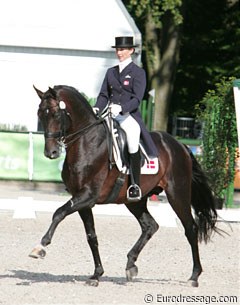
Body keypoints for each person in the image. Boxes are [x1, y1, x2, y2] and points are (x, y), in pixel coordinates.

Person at [94, 36, 158, 201]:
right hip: (109, 114)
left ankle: (135, 185)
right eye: (117, 49)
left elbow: (137, 99)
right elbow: (103, 95)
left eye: (122, 49)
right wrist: (97, 107)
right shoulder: (111, 72)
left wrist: (122, 108)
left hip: (128, 116)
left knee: (131, 136)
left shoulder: (138, 73)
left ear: (131, 50)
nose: (119, 52)